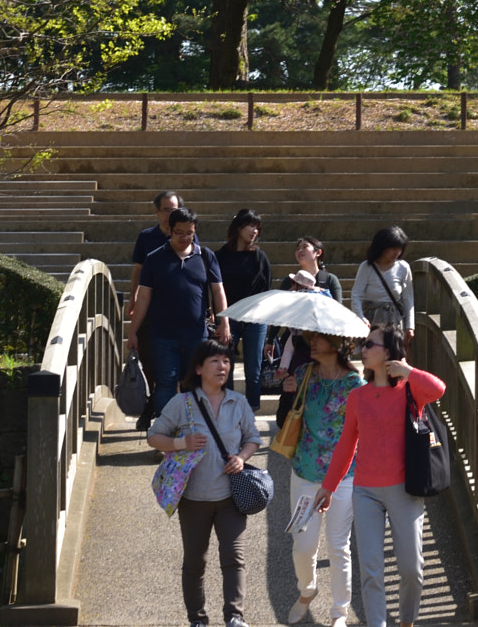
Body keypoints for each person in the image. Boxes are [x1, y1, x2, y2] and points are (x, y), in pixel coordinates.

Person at [314, 327, 444, 627]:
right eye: (363, 344)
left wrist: (408, 370)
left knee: (412, 568)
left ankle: (407, 620)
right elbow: (347, 443)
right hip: (365, 491)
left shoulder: (411, 391)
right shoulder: (357, 396)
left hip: (404, 489)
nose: (363, 349)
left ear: (387, 352)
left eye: (369, 344)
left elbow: (438, 389)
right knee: (371, 568)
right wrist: (328, 486)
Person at [148, 339, 261, 627]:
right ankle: (197, 619)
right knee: (195, 562)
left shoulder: (238, 402)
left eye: (226, 361)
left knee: (234, 557)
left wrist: (241, 457)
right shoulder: (181, 403)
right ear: (198, 368)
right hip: (194, 499)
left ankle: (234, 617)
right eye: (215, 361)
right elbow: (154, 436)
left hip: (230, 497)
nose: (223, 366)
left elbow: (253, 438)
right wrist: (180, 442)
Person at [284, 332, 364, 627]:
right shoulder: (304, 373)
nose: (311, 343)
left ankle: (340, 611)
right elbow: (289, 416)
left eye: (318, 339)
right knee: (302, 545)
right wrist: (288, 391)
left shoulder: (354, 384)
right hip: (304, 470)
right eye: (310, 338)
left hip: (343, 475)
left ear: (338, 344)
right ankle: (307, 589)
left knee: (338, 545)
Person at [129, 208, 229, 420]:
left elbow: (218, 290)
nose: (184, 237)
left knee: (194, 384)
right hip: (163, 334)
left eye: (189, 233)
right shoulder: (154, 259)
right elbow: (144, 297)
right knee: (165, 383)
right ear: (170, 231)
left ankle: (193, 432)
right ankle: (166, 435)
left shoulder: (205, 256)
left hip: (196, 333)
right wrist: (133, 331)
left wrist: (224, 322)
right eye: (179, 232)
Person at [129, 191, 183, 424]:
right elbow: (138, 271)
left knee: (175, 368)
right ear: (157, 212)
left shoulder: (186, 235)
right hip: (149, 308)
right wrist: (132, 299)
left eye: (175, 209)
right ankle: (151, 402)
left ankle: (165, 414)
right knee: (149, 362)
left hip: (175, 310)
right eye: (166, 209)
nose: (171, 213)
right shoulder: (146, 237)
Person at [217, 209, 272, 411]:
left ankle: (252, 409)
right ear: (238, 227)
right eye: (251, 226)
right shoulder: (221, 256)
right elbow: (214, 288)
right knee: (226, 367)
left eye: (257, 227)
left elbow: (266, 291)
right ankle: (229, 407)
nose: (254, 231)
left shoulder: (260, 257)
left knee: (253, 369)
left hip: (256, 319)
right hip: (229, 317)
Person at [350, 228, 413, 343]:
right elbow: (356, 294)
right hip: (371, 320)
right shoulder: (366, 267)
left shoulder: (403, 267)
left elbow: (408, 298)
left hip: (393, 321)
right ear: (382, 247)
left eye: (400, 248)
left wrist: (410, 326)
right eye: (393, 248)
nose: (397, 252)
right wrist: (360, 317)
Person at [295, 237, 344, 303]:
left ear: (318, 252)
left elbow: (338, 308)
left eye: (305, 247)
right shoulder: (290, 281)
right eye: (298, 249)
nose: (300, 250)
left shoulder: (330, 279)